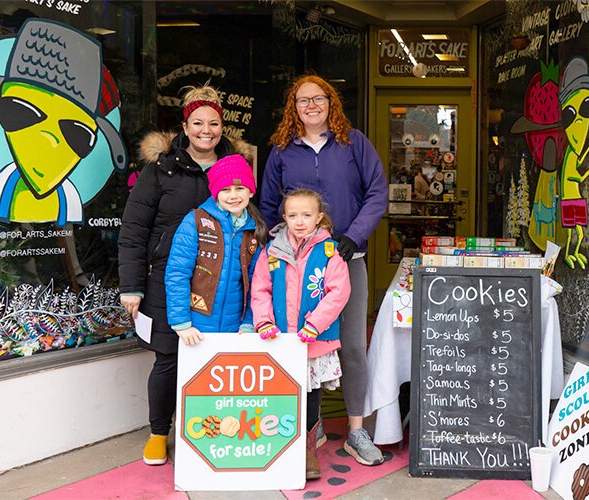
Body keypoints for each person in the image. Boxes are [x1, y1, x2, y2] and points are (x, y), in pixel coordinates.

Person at [118, 85, 252, 466]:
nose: (205, 130)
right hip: (167, 278)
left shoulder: (235, 168)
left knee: (218, 360)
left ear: (222, 126)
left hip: (224, 279)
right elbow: (134, 229)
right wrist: (131, 286)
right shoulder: (160, 170)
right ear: (185, 125)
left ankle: (208, 430)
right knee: (169, 358)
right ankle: (159, 433)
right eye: (197, 122)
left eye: (213, 123)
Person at [260, 74, 388, 466]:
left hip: (347, 261)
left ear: (331, 102)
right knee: (295, 343)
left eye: (318, 98)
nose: (311, 105)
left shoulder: (354, 143)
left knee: (351, 346)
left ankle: (356, 431)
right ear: (293, 108)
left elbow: (377, 192)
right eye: (303, 100)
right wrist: (281, 248)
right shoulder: (282, 151)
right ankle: (302, 428)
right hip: (293, 266)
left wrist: (353, 237)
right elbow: (267, 206)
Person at [251, 188, 350, 479]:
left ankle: (307, 448)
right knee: (279, 392)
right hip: (280, 339)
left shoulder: (329, 251)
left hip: (313, 340)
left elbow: (338, 292)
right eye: (292, 215)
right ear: (284, 217)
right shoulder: (271, 251)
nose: (299, 221)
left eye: (306, 215)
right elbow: (260, 289)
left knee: (310, 396)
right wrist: (264, 322)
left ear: (319, 217)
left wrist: (314, 324)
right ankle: (278, 444)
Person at [165, 154, 264, 344]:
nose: (233, 195)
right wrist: (181, 322)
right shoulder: (195, 221)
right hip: (195, 326)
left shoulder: (254, 230)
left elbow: (257, 283)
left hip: (236, 329)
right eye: (225, 189)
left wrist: (249, 322)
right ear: (215, 193)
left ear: (251, 192)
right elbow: (177, 273)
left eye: (240, 188)